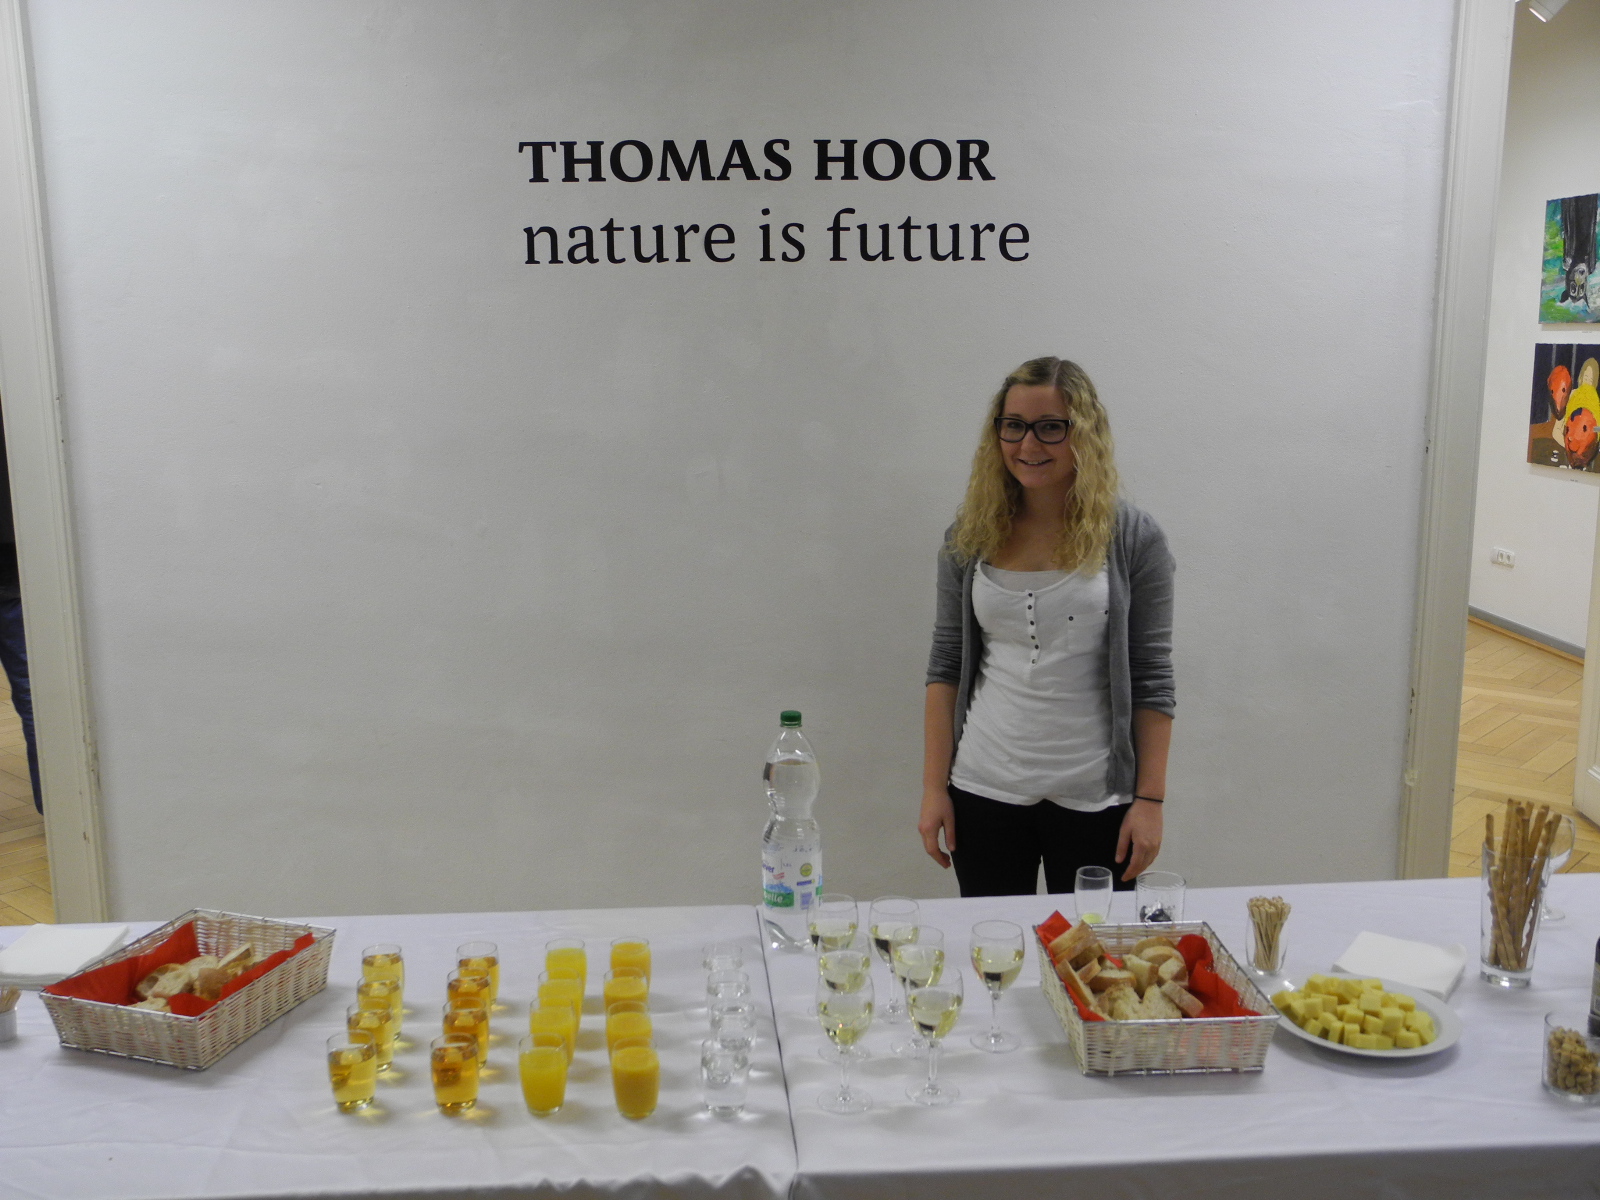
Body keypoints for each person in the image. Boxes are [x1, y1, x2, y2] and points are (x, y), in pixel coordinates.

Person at [920, 357, 1174, 897]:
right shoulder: (970, 534)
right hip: (982, 790)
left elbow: (1152, 675)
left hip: (1097, 799)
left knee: (1089, 949)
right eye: (1013, 426)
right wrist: (933, 789)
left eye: (1051, 427)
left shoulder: (1133, 538)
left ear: (1085, 432)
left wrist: (1150, 801)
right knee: (991, 941)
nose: (1028, 444)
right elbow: (946, 665)